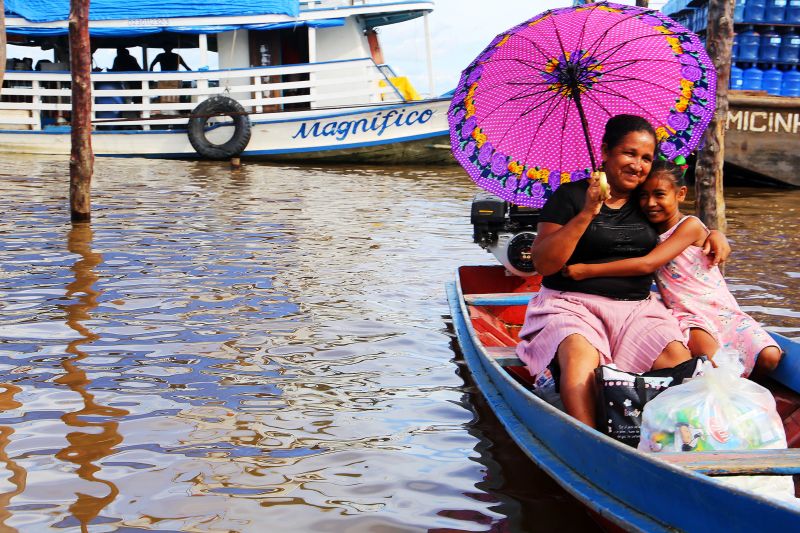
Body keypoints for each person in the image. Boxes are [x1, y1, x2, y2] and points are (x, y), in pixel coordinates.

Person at [516, 114, 730, 428]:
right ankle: (589, 444)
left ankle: (671, 441)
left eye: (646, 158)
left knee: (678, 362)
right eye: (629, 154)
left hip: (637, 308)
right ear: (606, 151)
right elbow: (544, 264)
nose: (638, 165)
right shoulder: (570, 197)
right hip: (570, 305)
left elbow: (683, 227)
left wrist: (714, 234)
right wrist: (589, 212)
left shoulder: (646, 201)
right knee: (578, 363)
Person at [563, 160, 782, 377]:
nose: (650, 203)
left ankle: (749, 387)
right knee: (717, 367)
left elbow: (647, 264)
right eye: (643, 195)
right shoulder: (644, 232)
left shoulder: (690, 225)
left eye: (659, 195)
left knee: (770, 357)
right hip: (687, 315)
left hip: (720, 309)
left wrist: (586, 270)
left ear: (681, 194)